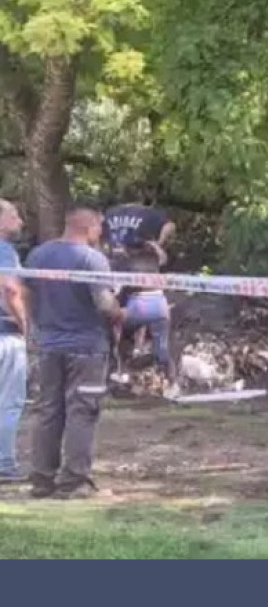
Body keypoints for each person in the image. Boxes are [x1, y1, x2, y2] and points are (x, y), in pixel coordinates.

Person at [25, 206, 122, 499]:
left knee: (48, 411)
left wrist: (36, 328)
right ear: (88, 227)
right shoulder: (92, 259)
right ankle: (74, 482)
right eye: (99, 228)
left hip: (48, 346)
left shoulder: (38, 255)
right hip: (86, 348)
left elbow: (27, 294)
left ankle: (42, 479)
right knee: (83, 411)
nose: (101, 234)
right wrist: (121, 313)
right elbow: (104, 303)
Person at [114, 243, 175, 389]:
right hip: (159, 304)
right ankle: (172, 381)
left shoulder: (129, 263)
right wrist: (156, 245)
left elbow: (122, 289)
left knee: (123, 340)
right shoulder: (154, 260)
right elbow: (164, 259)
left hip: (138, 304)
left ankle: (123, 372)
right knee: (162, 349)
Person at [0, 200, 28, 483]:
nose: (20, 222)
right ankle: (4, 464)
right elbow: (10, 289)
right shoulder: (4, 251)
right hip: (4, 333)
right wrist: (24, 324)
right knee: (9, 401)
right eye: (14, 216)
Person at [104, 193, 174, 266]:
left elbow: (100, 231)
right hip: (140, 258)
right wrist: (159, 243)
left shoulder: (110, 212)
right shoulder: (146, 212)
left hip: (113, 256)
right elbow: (170, 226)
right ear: (140, 200)